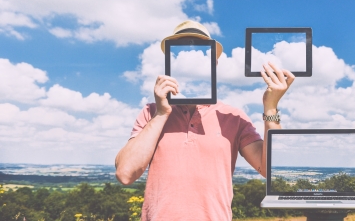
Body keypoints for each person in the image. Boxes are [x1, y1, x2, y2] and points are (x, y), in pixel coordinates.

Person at [115, 20, 295, 220]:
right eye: (180, 53)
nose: (191, 60)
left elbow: (268, 169)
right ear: (170, 62)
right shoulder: (151, 112)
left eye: (201, 53)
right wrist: (161, 113)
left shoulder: (233, 117)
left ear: (214, 64)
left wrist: (270, 107)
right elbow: (125, 173)